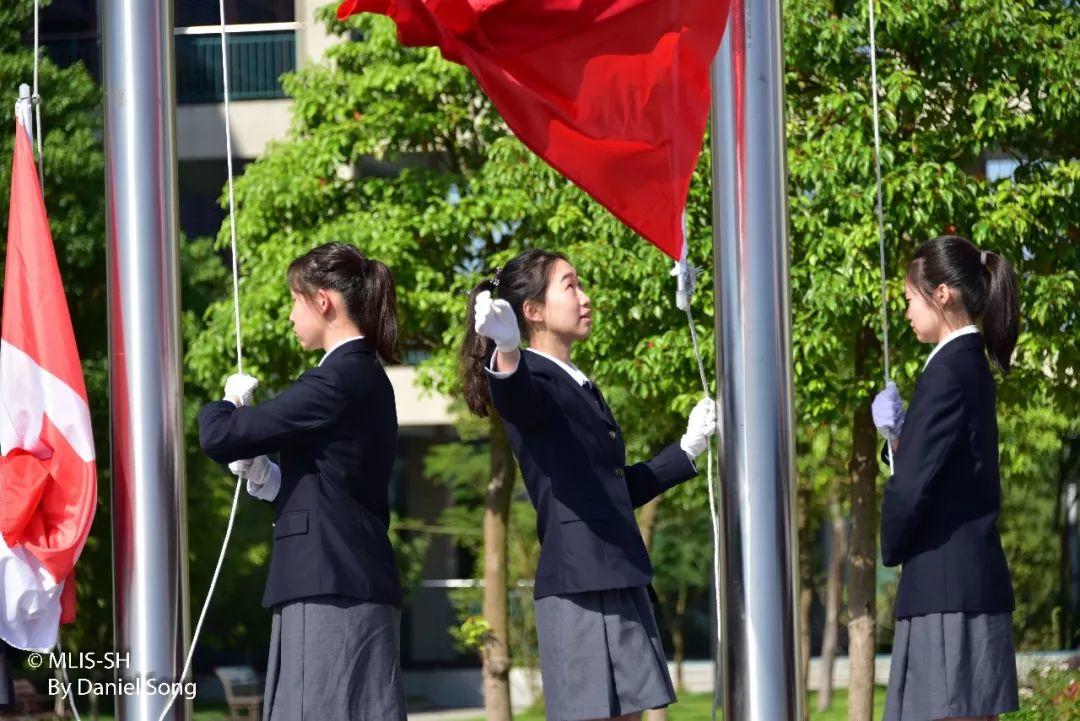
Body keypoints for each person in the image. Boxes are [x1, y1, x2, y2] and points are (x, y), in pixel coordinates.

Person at [461, 248, 716, 721]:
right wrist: (508, 351)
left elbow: (610, 489)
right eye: (570, 286)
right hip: (579, 582)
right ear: (532, 312)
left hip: (616, 571)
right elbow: (517, 400)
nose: (585, 297)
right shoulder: (531, 376)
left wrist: (685, 450)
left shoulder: (577, 380)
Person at [197, 242, 406, 721]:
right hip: (345, 576)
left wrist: (224, 404)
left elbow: (218, 436)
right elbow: (333, 487)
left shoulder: (338, 377)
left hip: (329, 584)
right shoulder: (361, 374)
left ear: (324, 300)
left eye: (296, 299)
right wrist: (268, 479)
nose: (291, 314)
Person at [872, 235, 1020, 721]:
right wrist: (898, 442)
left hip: (944, 589)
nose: (906, 310)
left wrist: (890, 543)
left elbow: (913, 486)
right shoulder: (965, 363)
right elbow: (943, 469)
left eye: (911, 298)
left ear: (942, 294)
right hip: (966, 584)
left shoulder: (948, 370)